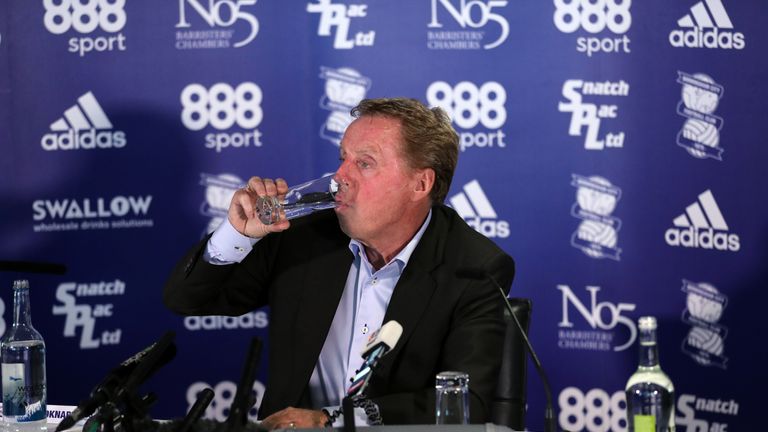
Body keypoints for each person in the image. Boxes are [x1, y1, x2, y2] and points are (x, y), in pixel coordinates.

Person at [164, 97, 515, 429]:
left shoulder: (473, 267)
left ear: (420, 183)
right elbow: (188, 299)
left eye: (364, 163)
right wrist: (238, 235)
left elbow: (467, 402)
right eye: (342, 158)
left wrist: (331, 420)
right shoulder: (302, 234)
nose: (339, 178)